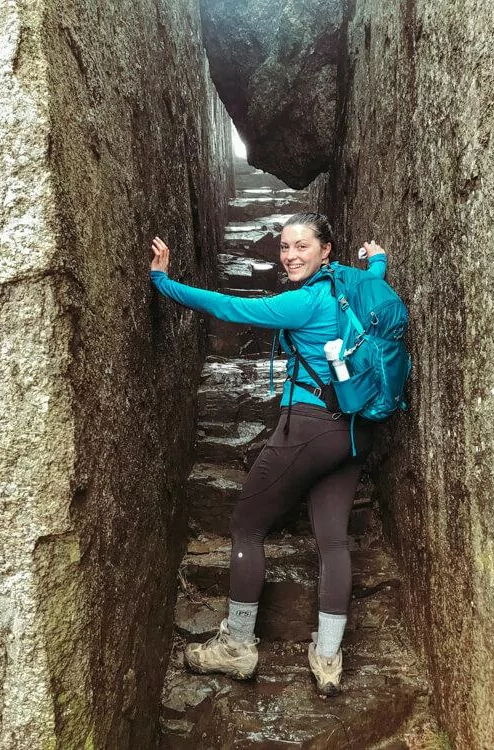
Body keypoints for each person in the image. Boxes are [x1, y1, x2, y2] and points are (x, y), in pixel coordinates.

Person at [150, 213, 387, 696]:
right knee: (334, 540)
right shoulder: (353, 286)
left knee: (246, 525)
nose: (290, 255)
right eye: (284, 247)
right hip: (354, 432)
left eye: (302, 246)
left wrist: (164, 282)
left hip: (309, 427)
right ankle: (326, 656)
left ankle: (237, 643)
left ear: (326, 251)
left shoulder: (304, 302)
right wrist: (378, 260)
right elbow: (376, 284)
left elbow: (229, 308)